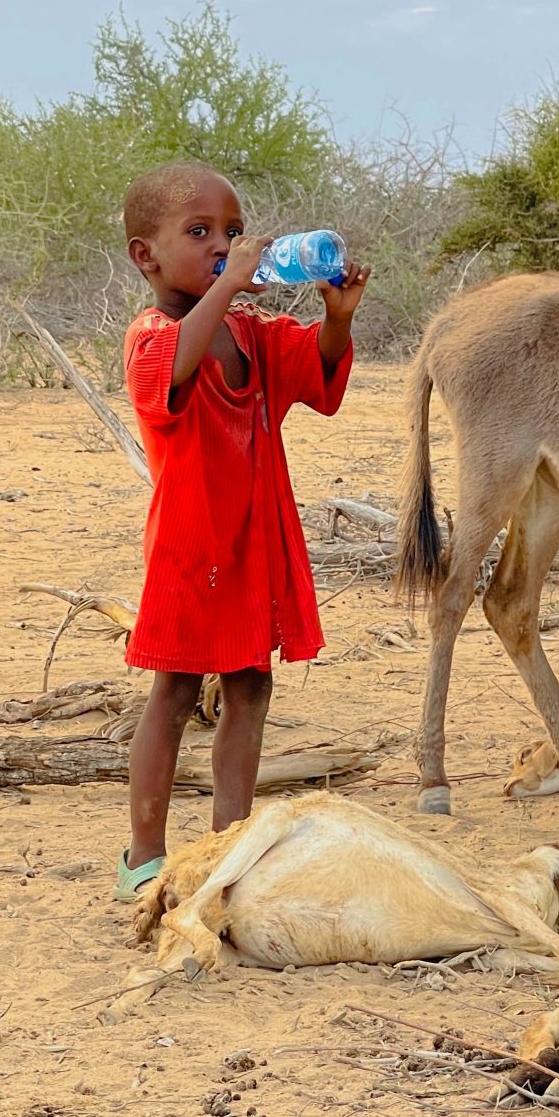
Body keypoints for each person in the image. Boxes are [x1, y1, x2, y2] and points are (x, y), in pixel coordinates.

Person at [115, 161, 370, 901]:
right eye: (199, 233)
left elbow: (317, 382)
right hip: (192, 549)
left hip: (254, 543)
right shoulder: (153, 335)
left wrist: (340, 317)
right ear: (146, 255)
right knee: (173, 691)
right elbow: (167, 379)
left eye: (231, 232)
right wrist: (230, 283)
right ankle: (145, 857)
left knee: (252, 687)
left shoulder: (251, 335)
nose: (222, 246)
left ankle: (232, 847)